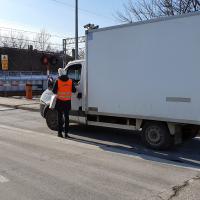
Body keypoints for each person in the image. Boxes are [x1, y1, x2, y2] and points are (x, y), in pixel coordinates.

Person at [52, 68, 76, 138]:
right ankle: (66, 134)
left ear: (59, 74)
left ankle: (60, 133)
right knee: (67, 118)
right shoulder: (70, 81)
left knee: (59, 118)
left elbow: (54, 91)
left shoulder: (58, 81)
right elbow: (74, 90)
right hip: (67, 102)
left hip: (60, 102)